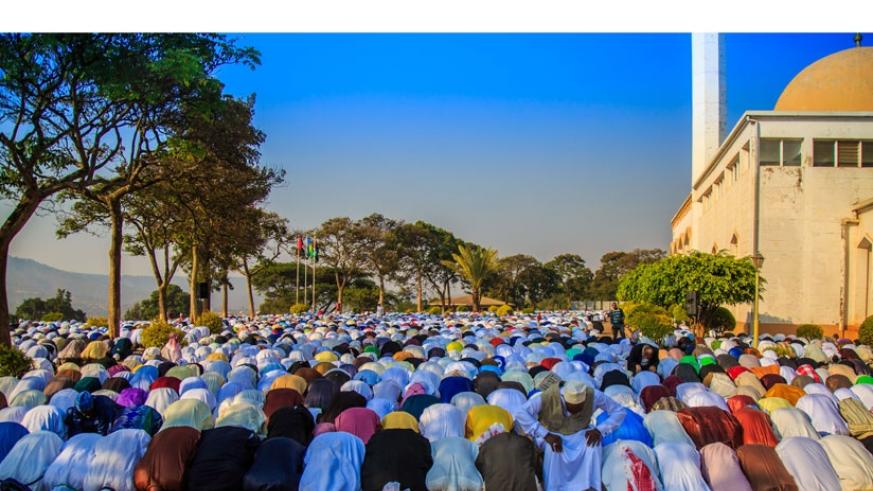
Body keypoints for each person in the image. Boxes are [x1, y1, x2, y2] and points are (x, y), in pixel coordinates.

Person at [514, 380, 625, 491]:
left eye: (580, 406)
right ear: (564, 398)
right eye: (573, 407)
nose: (576, 412)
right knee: (553, 449)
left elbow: (619, 411)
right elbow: (521, 412)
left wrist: (599, 430)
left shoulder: (594, 395)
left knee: (593, 446)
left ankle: (590, 486)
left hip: (581, 432)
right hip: (553, 433)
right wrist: (545, 434)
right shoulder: (549, 396)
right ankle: (554, 488)